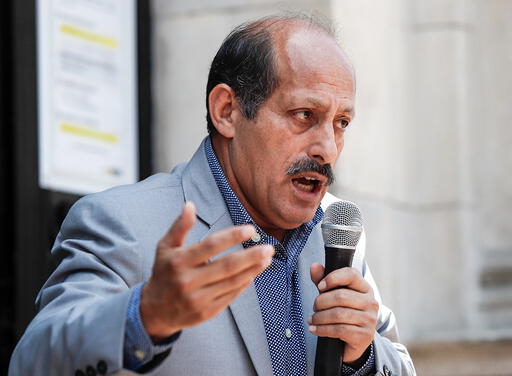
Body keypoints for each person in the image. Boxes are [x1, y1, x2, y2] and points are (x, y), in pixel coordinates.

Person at [10, 15, 415, 376]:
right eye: (303, 115)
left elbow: (398, 362)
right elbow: (32, 363)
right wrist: (143, 317)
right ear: (226, 111)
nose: (327, 147)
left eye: (341, 122)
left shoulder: (337, 231)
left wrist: (363, 356)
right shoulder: (123, 222)